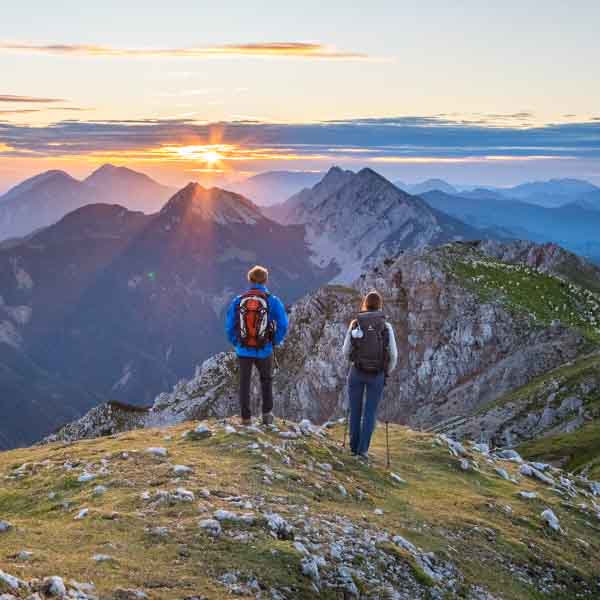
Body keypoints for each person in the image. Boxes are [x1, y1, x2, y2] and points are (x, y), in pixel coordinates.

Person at [226, 265, 289, 426]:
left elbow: (229, 325)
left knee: (244, 382)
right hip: (264, 349)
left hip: (243, 349)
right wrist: (274, 340)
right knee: (266, 380)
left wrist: (236, 341)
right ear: (266, 280)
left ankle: (245, 418)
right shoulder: (272, 300)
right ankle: (267, 415)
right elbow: (283, 323)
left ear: (250, 279)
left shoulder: (239, 300)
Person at [342, 290, 398, 459]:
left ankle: (353, 447)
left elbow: (345, 350)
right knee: (370, 412)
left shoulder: (356, 323)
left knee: (355, 410)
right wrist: (386, 371)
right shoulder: (386, 326)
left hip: (357, 372)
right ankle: (363, 450)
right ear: (380, 305)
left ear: (365, 304)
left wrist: (352, 362)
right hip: (377, 375)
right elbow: (394, 355)